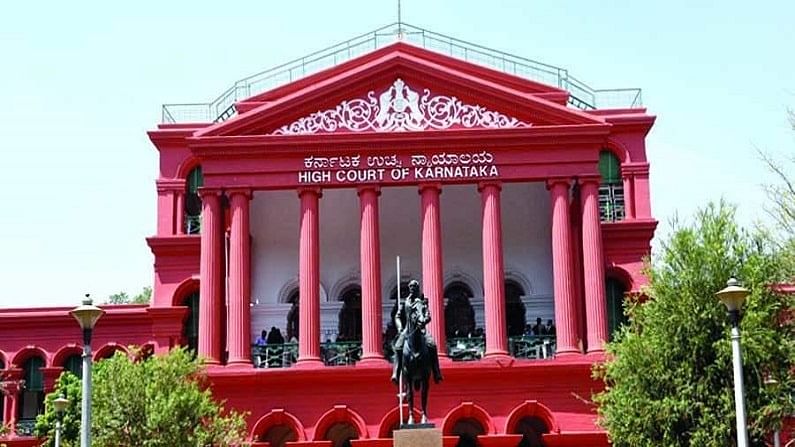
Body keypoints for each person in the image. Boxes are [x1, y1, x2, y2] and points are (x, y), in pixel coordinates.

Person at [391, 279, 443, 384]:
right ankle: (396, 372)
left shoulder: (422, 303)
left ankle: (436, 372)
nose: (412, 289)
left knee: (432, 344)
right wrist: (400, 328)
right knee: (398, 347)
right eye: (411, 287)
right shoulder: (405, 302)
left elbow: (428, 316)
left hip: (421, 330)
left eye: (414, 287)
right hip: (407, 330)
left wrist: (424, 321)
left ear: (417, 289)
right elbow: (398, 316)